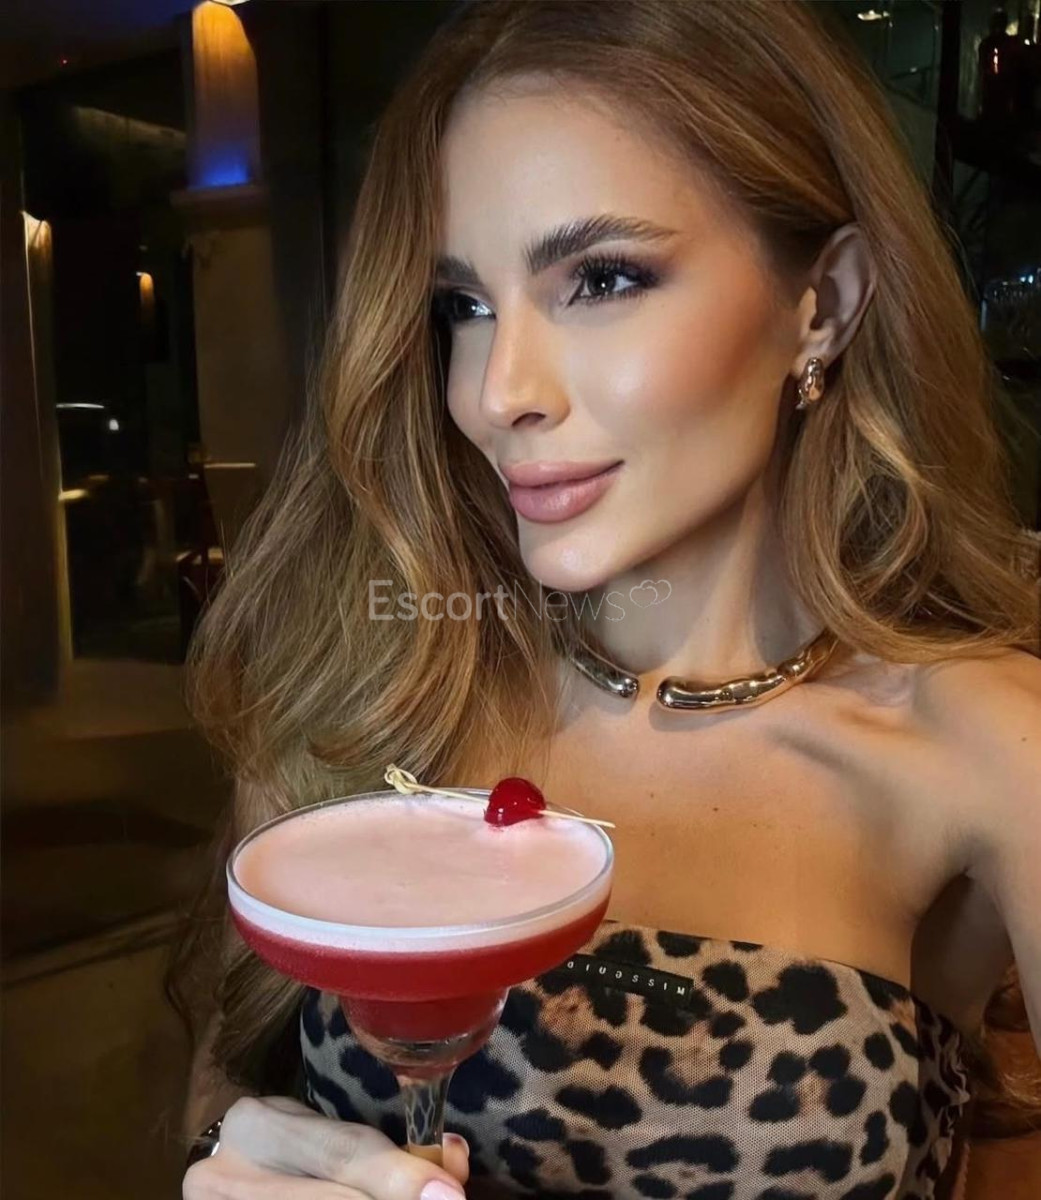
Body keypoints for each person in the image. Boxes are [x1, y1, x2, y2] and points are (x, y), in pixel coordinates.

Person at [172, 2, 1041, 1197]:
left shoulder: (993, 752)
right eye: (462, 305)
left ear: (824, 305)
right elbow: (226, 1091)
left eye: (602, 278)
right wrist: (219, 1166)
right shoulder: (374, 692)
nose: (496, 394)